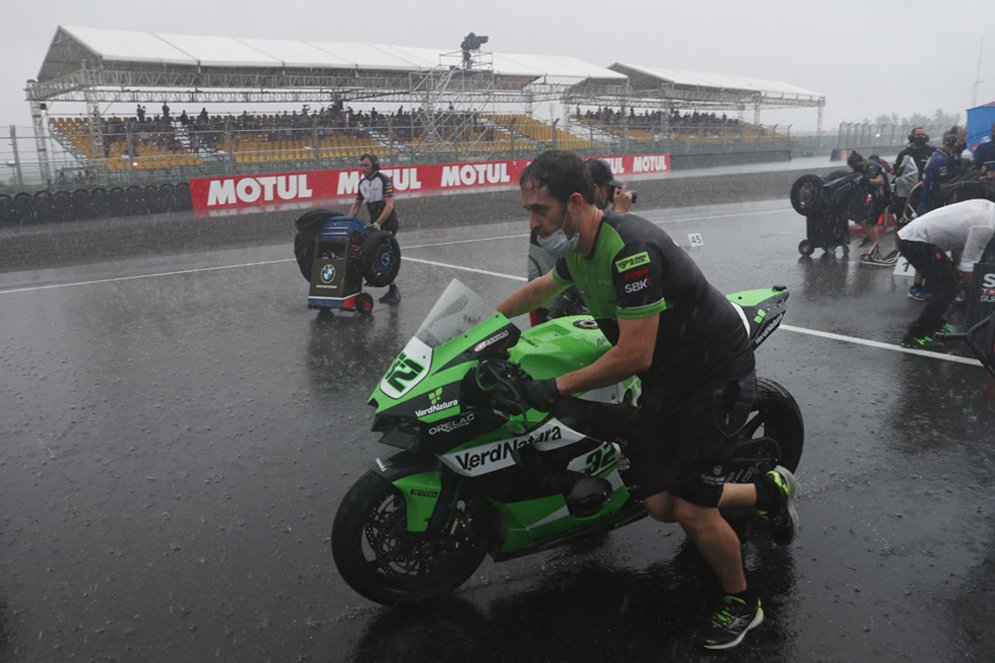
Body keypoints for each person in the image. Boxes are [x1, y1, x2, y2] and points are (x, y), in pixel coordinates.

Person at [496, 150, 799, 650]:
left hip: (713, 374)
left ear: (574, 202)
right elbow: (543, 288)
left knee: (691, 510)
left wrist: (557, 386)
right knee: (659, 502)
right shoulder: (576, 248)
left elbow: (634, 354)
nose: (533, 222)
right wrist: (482, 328)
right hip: (671, 377)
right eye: (528, 210)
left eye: (539, 210)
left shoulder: (629, 249)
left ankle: (743, 604)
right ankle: (768, 493)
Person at [897, 199, 995, 348]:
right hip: (916, 242)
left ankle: (934, 324)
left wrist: (954, 271)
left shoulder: (989, 207)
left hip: (918, 239)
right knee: (947, 289)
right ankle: (915, 335)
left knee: (950, 285)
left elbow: (959, 247)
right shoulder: (985, 227)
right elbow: (968, 268)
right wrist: (977, 297)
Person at [348, 153, 401, 305]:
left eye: (366, 165)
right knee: (371, 253)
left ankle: (393, 289)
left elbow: (390, 204)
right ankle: (378, 278)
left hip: (388, 222)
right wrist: (349, 220)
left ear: (374, 165)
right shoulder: (362, 183)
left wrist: (379, 222)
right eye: (361, 165)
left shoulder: (384, 180)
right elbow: (357, 204)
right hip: (375, 223)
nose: (363, 168)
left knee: (387, 255)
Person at [846, 151, 888, 259]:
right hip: (876, 195)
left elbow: (880, 181)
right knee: (864, 220)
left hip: (882, 196)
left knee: (870, 223)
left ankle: (875, 247)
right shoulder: (866, 166)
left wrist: (866, 180)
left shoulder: (870, 166)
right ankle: (872, 242)